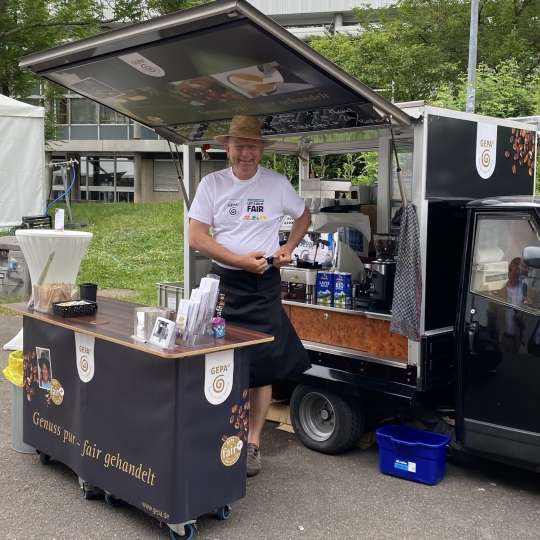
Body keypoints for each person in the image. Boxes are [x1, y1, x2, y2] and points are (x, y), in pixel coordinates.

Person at [188, 115, 311, 477]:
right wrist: (239, 260)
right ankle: (221, 432)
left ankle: (253, 444)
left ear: (261, 150)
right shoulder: (212, 184)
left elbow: (304, 216)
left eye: (252, 146)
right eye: (239, 145)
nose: (246, 153)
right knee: (219, 360)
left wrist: (288, 247)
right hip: (225, 284)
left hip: (264, 285)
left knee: (262, 365)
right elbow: (197, 237)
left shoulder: (275, 184)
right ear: (227, 147)